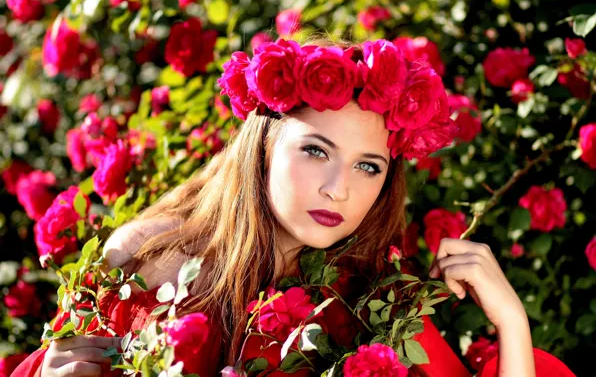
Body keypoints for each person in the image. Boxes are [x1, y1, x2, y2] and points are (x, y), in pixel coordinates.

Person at [11, 37, 575, 377]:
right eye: (315, 151)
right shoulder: (142, 263)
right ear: (263, 148)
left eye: (368, 166)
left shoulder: (373, 304)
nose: (339, 189)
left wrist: (512, 323)